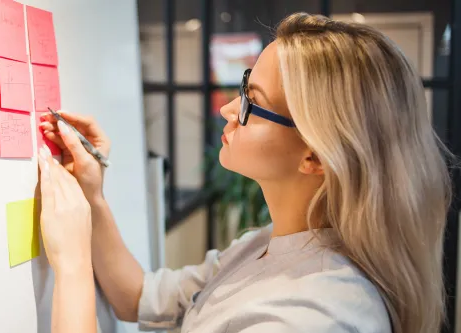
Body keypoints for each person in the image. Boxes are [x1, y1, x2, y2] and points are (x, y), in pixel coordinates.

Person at [35, 12, 452, 333]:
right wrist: (93, 196)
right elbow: (139, 297)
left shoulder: (314, 316)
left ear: (316, 157)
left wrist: (71, 265)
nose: (228, 110)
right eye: (242, 89)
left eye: (252, 101)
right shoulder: (273, 243)